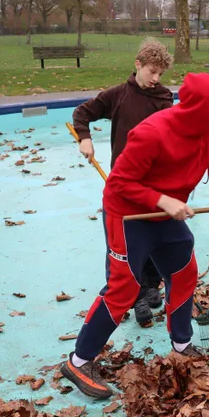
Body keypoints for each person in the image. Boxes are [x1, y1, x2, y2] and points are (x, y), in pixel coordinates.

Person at [61, 73, 209, 399]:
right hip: (129, 215)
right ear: (202, 108)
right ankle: (78, 361)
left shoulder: (207, 134)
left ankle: (182, 345)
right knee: (123, 288)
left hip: (165, 215)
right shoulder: (152, 133)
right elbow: (118, 184)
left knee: (184, 271)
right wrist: (163, 200)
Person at [72, 38, 174, 328]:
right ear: (137, 65)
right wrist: (85, 138)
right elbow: (82, 113)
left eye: (160, 74)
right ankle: (136, 294)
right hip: (123, 185)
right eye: (151, 71)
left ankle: (151, 284)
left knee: (154, 236)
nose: (155, 79)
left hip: (155, 184)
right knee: (126, 243)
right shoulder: (117, 96)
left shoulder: (164, 98)